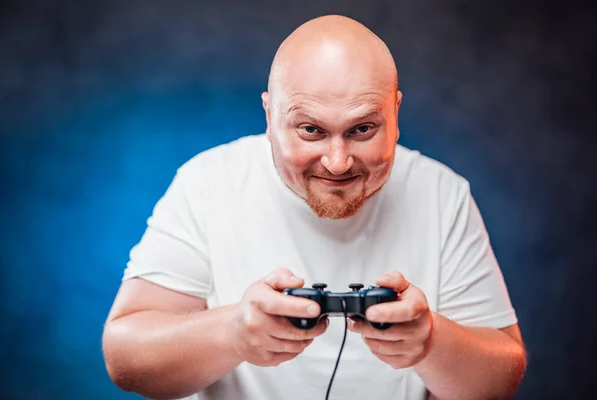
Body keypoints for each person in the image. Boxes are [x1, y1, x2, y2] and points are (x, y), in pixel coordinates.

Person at [102, 14, 526, 400]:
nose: (337, 162)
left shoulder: (441, 193)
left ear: (395, 113)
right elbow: (124, 357)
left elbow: (501, 378)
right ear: (269, 117)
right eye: (310, 130)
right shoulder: (208, 181)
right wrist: (231, 333)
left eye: (362, 129)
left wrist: (431, 341)